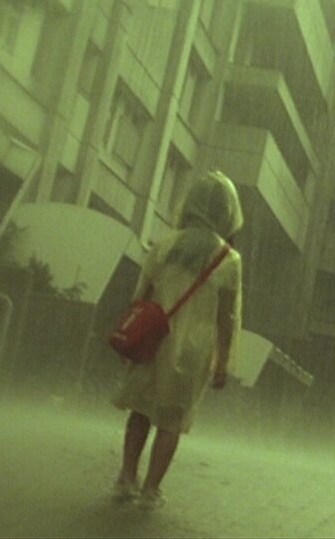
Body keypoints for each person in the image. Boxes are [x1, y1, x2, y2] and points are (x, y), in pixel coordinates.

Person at [112, 170, 244, 511]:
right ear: (228, 213)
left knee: (141, 409)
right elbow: (226, 318)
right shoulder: (229, 260)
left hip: (152, 340)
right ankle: (150, 490)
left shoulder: (166, 245)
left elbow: (140, 295)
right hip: (191, 350)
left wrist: (131, 335)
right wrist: (222, 361)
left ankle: (127, 476)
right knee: (171, 420)